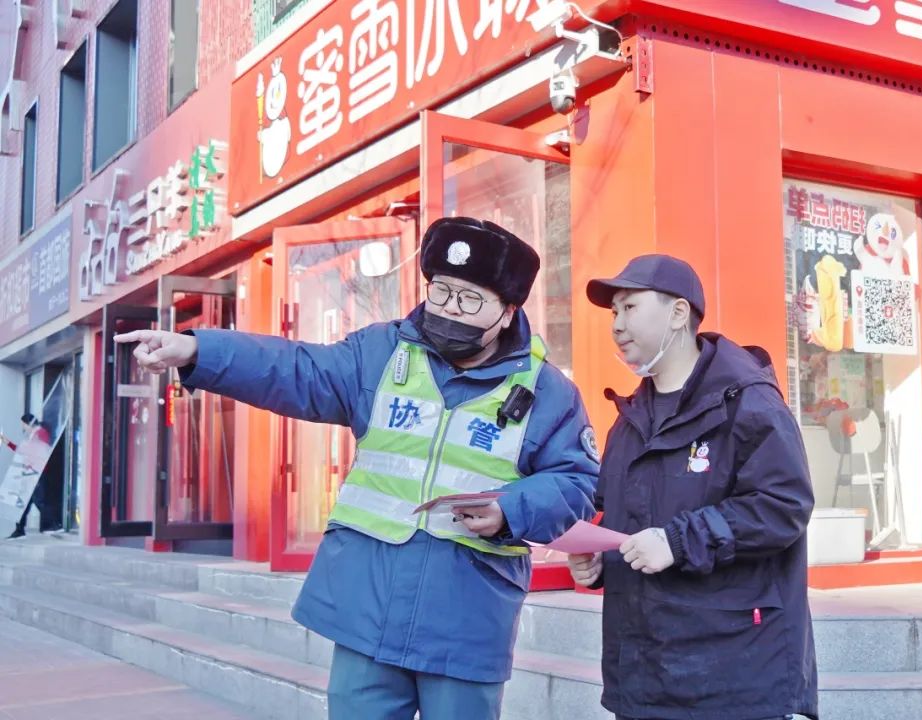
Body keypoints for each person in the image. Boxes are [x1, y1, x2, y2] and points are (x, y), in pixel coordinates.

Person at [116, 217, 600, 720]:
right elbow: (296, 369)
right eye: (441, 290)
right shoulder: (381, 353)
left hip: (466, 620)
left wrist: (511, 510)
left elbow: (577, 483)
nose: (450, 308)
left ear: (508, 311)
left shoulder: (547, 391)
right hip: (367, 610)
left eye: (470, 298)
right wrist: (198, 350)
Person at [569, 255, 818, 720]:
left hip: (733, 675)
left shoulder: (748, 402)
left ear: (678, 313)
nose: (617, 325)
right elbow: (625, 521)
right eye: (614, 312)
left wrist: (677, 541)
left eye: (630, 307)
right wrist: (600, 562)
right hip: (643, 677)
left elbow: (782, 506)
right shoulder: (630, 419)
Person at [2, 413, 55, 539]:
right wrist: (7, 442)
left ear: (29, 423)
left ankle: (53, 525)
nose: (23, 428)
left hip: (37, 472)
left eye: (23, 425)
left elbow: (40, 451)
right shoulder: (32, 435)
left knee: (39, 501)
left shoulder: (40, 433)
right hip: (29, 473)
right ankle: (19, 530)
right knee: (23, 503)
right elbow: (22, 451)